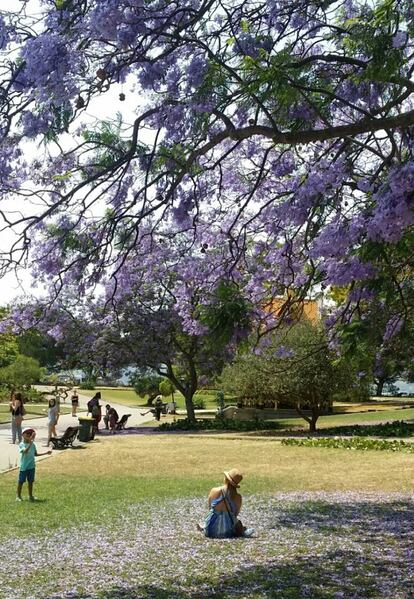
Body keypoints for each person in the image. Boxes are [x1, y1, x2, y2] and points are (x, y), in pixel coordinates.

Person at [200, 469, 254, 538]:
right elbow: (235, 514)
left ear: (226, 479)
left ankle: (204, 527)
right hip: (228, 532)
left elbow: (210, 508)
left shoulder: (214, 490)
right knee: (239, 524)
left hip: (210, 531)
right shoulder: (238, 497)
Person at [16, 427, 52, 502]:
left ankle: (30, 496)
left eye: (30, 434)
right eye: (27, 433)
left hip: (31, 466)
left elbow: (35, 454)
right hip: (24, 467)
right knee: (21, 482)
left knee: (30, 481)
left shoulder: (33, 445)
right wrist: (30, 443)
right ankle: (18, 496)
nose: (29, 435)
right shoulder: (21, 444)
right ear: (22, 435)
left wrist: (46, 453)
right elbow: (25, 451)